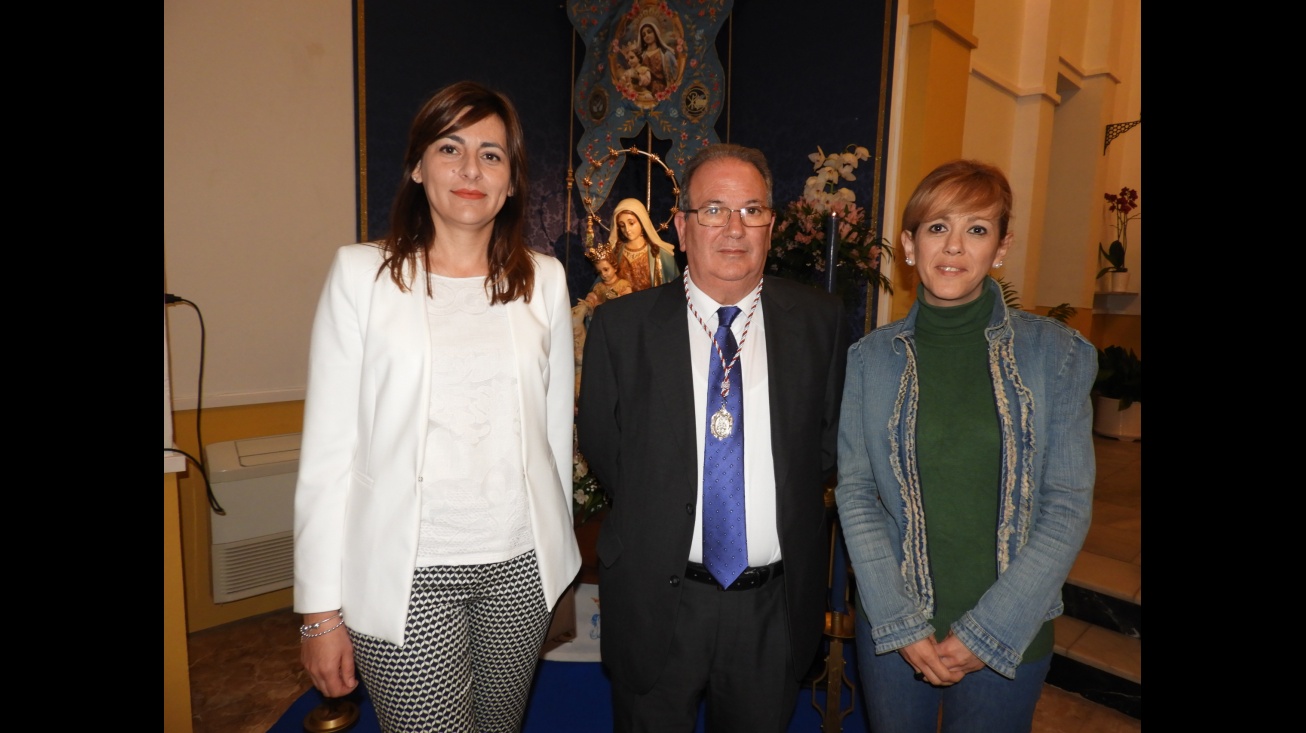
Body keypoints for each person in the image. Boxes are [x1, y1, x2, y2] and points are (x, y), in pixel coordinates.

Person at [294, 81, 581, 733]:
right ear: (418, 166)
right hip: (408, 576)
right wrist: (319, 609)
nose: (470, 169)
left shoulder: (545, 281)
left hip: (518, 571)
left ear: (511, 182)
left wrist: (555, 561)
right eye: (450, 147)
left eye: (492, 154)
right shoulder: (361, 276)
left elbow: (553, 435)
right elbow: (328, 453)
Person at [577, 143, 849, 732]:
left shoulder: (819, 322)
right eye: (714, 210)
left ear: (770, 226)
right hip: (659, 598)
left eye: (751, 210)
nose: (733, 228)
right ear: (680, 225)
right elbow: (604, 445)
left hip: (771, 607)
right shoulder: (622, 328)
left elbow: (822, 448)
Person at [835, 159, 1096, 733]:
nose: (953, 247)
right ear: (908, 244)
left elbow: (1067, 505)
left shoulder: (1059, 355)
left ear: (1000, 248)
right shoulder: (870, 360)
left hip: (1013, 631)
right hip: (896, 631)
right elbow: (857, 495)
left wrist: (990, 631)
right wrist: (900, 622)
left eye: (976, 229)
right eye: (936, 227)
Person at [606, 197, 679, 292]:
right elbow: (602, 285)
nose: (627, 230)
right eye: (622, 225)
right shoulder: (615, 252)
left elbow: (675, 288)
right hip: (622, 305)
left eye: (631, 223)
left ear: (642, 221)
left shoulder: (661, 255)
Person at [583, 241, 634, 308]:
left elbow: (629, 302)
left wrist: (617, 297)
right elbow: (592, 299)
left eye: (606, 269)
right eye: (599, 272)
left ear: (614, 268)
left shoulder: (624, 285)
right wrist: (588, 304)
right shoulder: (598, 287)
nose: (603, 274)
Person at [638, 21, 677, 95]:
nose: (647, 35)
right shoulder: (641, 56)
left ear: (655, 33)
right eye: (644, 35)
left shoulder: (665, 53)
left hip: (662, 91)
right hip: (645, 92)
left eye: (649, 32)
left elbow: (674, 74)